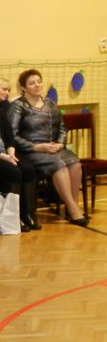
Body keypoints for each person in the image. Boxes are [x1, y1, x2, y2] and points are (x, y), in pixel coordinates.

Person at [8, 69, 88, 226]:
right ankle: (73, 210)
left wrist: (60, 143)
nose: (37, 85)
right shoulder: (18, 106)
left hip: (54, 148)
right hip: (33, 150)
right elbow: (13, 135)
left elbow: (62, 128)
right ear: (23, 88)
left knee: (75, 163)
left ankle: (73, 206)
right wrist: (37, 147)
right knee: (59, 166)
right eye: (32, 83)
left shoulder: (50, 103)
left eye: (39, 81)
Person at [1, 76, 39, 231]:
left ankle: (27, 214)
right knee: (14, 172)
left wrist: (11, 151)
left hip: (6, 151)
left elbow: (9, 135)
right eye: (4, 89)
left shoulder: (4, 107)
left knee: (28, 168)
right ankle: (12, 217)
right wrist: (4, 156)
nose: (7, 93)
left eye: (9, 90)